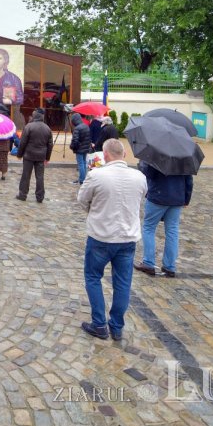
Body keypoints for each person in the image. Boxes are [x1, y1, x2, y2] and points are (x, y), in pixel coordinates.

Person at [77, 139, 148, 340]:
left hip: (101, 235)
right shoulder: (139, 177)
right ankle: (116, 326)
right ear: (124, 155)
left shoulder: (97, 175)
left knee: (92, 277)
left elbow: (82, 199)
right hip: (127, 237)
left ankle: (100, 324)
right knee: (123, 283)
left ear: (105, 155)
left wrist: (94, 209)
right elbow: (141, 197)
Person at [135, 161, 193, 278]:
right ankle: (170, 266)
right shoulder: (184, 154)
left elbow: (148, 173)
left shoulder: (156, 153)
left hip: (158, 196)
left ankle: (148, 263)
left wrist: (142, 164)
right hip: (177, 197)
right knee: (172, 231)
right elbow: (189, 179)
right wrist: (186, 198)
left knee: (148, 228)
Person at [16, 109, 54, 202]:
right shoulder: (47, 128)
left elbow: (23, 142)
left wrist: (19, 154)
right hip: (41, 156)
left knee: (26, 175)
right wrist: (47, 157)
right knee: (40, 177)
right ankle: (40, 197)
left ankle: (22, 194)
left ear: (34, 116)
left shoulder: (29, 127)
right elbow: (50, 145)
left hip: (29, 155)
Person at [70, 113, 92, 184]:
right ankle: (83, 178)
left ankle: (82, 180)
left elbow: (75, 141)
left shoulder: (77, 128)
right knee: (84, 163)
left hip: (79, 149)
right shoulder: (86, 126)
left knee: (81, 164)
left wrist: (72, 146)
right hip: (85, 148)